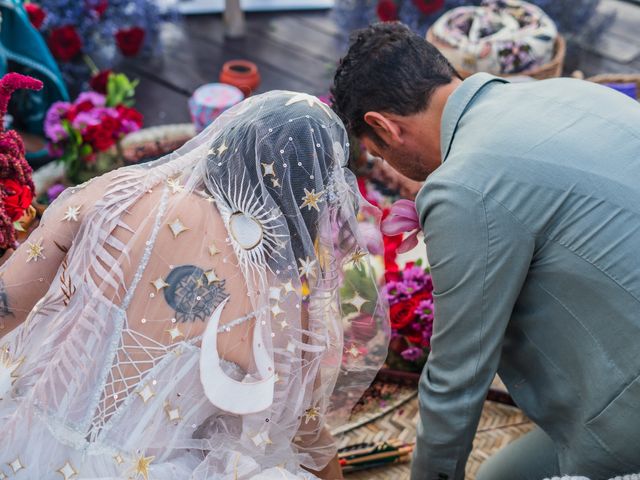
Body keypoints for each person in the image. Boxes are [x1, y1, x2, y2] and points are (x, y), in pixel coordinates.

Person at [0, 91, 389, 479]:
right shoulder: (279, 306)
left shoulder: (115, 195)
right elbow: (302, 433)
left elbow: (7, 303)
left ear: (226, 143)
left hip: (18, 440)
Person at [331, 21, 640, 480]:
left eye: (377, 154)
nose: (388, 168)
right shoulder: (572, 94)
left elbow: (457, 377)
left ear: (384, 127)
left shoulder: (463, 187)